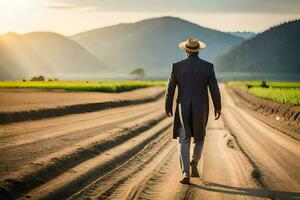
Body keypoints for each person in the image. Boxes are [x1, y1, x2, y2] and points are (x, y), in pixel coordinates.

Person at [165, 38, 222, 184]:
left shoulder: (176, 66)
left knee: (183, 139)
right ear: (198, 50)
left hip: (182, 107)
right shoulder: (208, 67)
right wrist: (218, 106)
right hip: (200, 107)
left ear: (185, 50)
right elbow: (214, 88)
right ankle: (194, 160)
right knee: (200, 136)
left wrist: (168, 106)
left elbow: (170, 88)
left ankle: (185, 173)